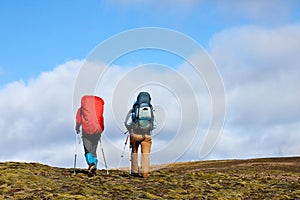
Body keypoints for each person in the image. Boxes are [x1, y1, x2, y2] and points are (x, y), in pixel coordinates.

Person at [124, 92, 156, 178]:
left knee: (134, 151)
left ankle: (134, 171)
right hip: (147, 135)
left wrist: (130, 129)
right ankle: (145, 172)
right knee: (145, 153)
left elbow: (127, 122)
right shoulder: (150, 109)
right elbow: (155, 125)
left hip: (135, 134)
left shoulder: (134, 110)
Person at [75, 95, 104, 177]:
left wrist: (77, 128)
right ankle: (94, 167)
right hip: (97, 131)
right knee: (93, 150)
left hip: (86, 131)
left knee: (88, 150)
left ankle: (91, 164)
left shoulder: (81, 110)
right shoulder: (96, 109)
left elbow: (78, 120)